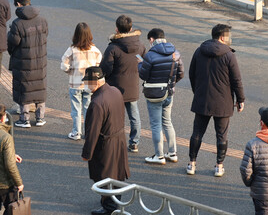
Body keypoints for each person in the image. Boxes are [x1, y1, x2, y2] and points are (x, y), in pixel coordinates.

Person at [187, 23, 245, 178]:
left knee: (197, 133)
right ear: (221, 37)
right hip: (223, 102)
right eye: (228, 36)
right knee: (221, 135)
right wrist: (240, 99)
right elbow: (236, 80)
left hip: (202, 99)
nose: (230, 38)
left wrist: (197, 91)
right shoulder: (229, 55)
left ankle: (192, 164)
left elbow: (191, 74)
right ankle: (219, 166)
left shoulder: (199, 51)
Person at [81, 66, 129, 215]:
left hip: (105, 144)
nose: (87, 85)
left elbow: (92, 131)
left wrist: (87, 153)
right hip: (119, 139)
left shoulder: (97, 103)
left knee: (105, 174)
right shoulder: (115, 91)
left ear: (95, 82)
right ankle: (114, 201)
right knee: (117, 173)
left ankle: (109, 208)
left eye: (88, 82)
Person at [139, 27, 184, 165]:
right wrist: (169, 83)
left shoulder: (150, 55)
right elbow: (181, 73)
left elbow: (143, 75)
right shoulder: (175, 53)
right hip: (169, 92)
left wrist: (140, 64)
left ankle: (159, 156)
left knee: (156, 125)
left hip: (154, 94)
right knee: (167, 122)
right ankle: (172, 153)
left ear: (152, 39)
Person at [100, 15, 144, 153]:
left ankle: (113, 141)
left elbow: (106, 68)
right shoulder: (140, 46)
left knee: (113, 117)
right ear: (131, 28)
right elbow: (143, 63)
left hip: (114, 88)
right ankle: (134, 142)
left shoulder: (112, 48)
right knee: (134, 115)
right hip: (132, 87)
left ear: (117, 29)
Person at [7, 0, 48, 128]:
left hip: (23, 61)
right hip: (40, 61)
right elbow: (45, 36)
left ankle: (24, 119)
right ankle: (40, 118)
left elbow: (13, 42)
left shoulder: (17, 24)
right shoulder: (42, 20)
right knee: (39, 88)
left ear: (18, 4)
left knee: (24, 87)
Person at [60, 22, 103, 141]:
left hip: (75, 83)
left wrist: (71, 70)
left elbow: (63, 66)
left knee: (76, 110)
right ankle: (88, 132)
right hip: (90, 85)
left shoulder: (72, 50)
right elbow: (99, 65)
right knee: (88, 109)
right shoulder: (95, 50)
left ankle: (76, 132)